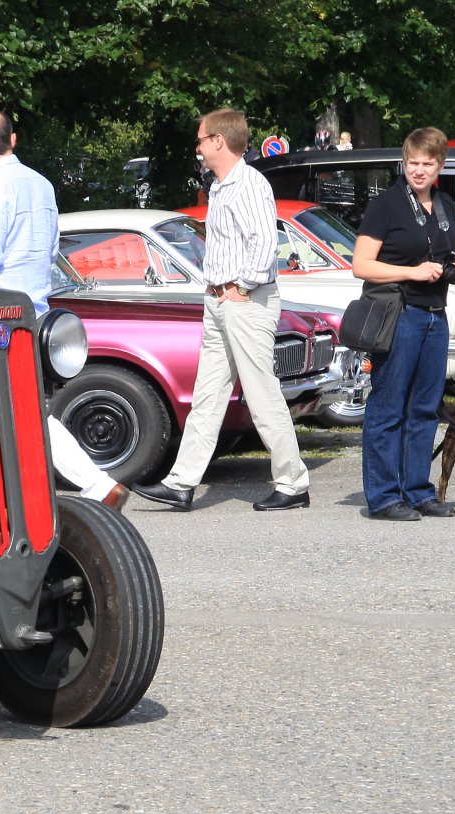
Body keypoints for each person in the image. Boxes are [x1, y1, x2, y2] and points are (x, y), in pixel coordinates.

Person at [0, 110, 131, 693]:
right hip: (35, 312)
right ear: (14, 139)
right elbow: (48, 248)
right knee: (27, 414)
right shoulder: (41, 184)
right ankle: (95, 481)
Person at [132, 108, 311, 514]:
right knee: (207, 396)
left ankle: (293, 483)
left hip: (245, 300)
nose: (197, 147)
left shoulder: (249, 184)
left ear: (219, 140)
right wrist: (220, 292)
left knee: (261, 394)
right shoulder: (219, 186)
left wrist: (240, 287)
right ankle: (181, 483)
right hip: (220, 300)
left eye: (201, 139)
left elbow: (265, 245)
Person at [350, 126, 455, 520]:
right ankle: (383, 497)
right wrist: (413, 272)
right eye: (412, 162)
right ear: (404, 162)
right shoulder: (387, 205)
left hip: (435, 315)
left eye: (427, 163)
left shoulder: (444, 203)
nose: (419, 170)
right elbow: (361, 265)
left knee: (425, 408)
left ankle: (418, 491)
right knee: (388, 407)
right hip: (400, 314)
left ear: (440, 165)